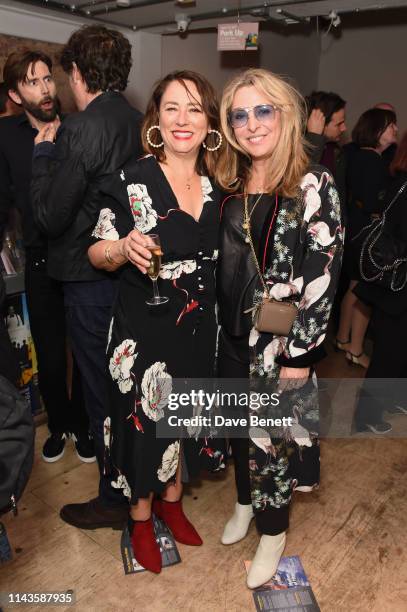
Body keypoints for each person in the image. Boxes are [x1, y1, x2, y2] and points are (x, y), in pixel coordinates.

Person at [87, 70, 225, 573]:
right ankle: (141, 519)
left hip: (196, 326)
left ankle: (173, 504)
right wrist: (123, 247)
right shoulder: (132, 178)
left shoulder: (219, 181)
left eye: (194, 108)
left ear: (209, 120)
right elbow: (95, 253)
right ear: (156, 119)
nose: (182, 119)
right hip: (143, 328)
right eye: (171, 107)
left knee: (184, 417)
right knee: (141, 425)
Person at [215, 69, 344, 589]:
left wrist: (300, 356)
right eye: (239, 115)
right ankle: (244, 505)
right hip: (227, 337)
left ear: (286, 114)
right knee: (235, 431)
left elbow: (324, 274)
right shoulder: (228, 181)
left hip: (278, 345)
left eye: (262, 110)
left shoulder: (313, 182)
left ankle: (273, 529)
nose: (251, 124)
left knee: (270, 442)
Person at [31, 25, 144, 529]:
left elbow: (50, 217)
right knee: (128, 386)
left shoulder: (80, 128)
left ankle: (113, 499)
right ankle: (136, 485)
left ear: (77, 72)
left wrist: (42, 155)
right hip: (131, 273)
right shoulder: (140, 120)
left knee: (100, 390)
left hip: (88, 275)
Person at [0, 50, 91, 463]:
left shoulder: (78, 128)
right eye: (32, 82)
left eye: (47, 79)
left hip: (83, 259)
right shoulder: (6, 136)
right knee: (51, 356)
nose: (44, 88)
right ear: (16, 94)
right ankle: (60, 426)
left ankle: (87, 427)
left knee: (89, 352)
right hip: (38, 261)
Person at [353, 130, 407, 434]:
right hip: (396, 282)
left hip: (397, 281)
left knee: (400, 349)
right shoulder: (405, 185)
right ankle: (366, 416)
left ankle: (391, 399)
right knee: (389, 350)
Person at [336, 108, 397, 368]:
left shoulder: (361, 156)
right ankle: (355, 347)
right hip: (366, 233)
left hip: (357, 230)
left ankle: (342, 338)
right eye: (390, 126)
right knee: (363, 290)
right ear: (377, 131)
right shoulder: (371, 160)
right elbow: (373, 200)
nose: (395, 130)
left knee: (354, 287)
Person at [306, 90, 347, 206]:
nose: (344, 128)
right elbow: (303, 178)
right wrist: (314, 137)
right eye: (339, 124)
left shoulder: (335, 151)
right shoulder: (298, 147)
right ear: (320, 122)